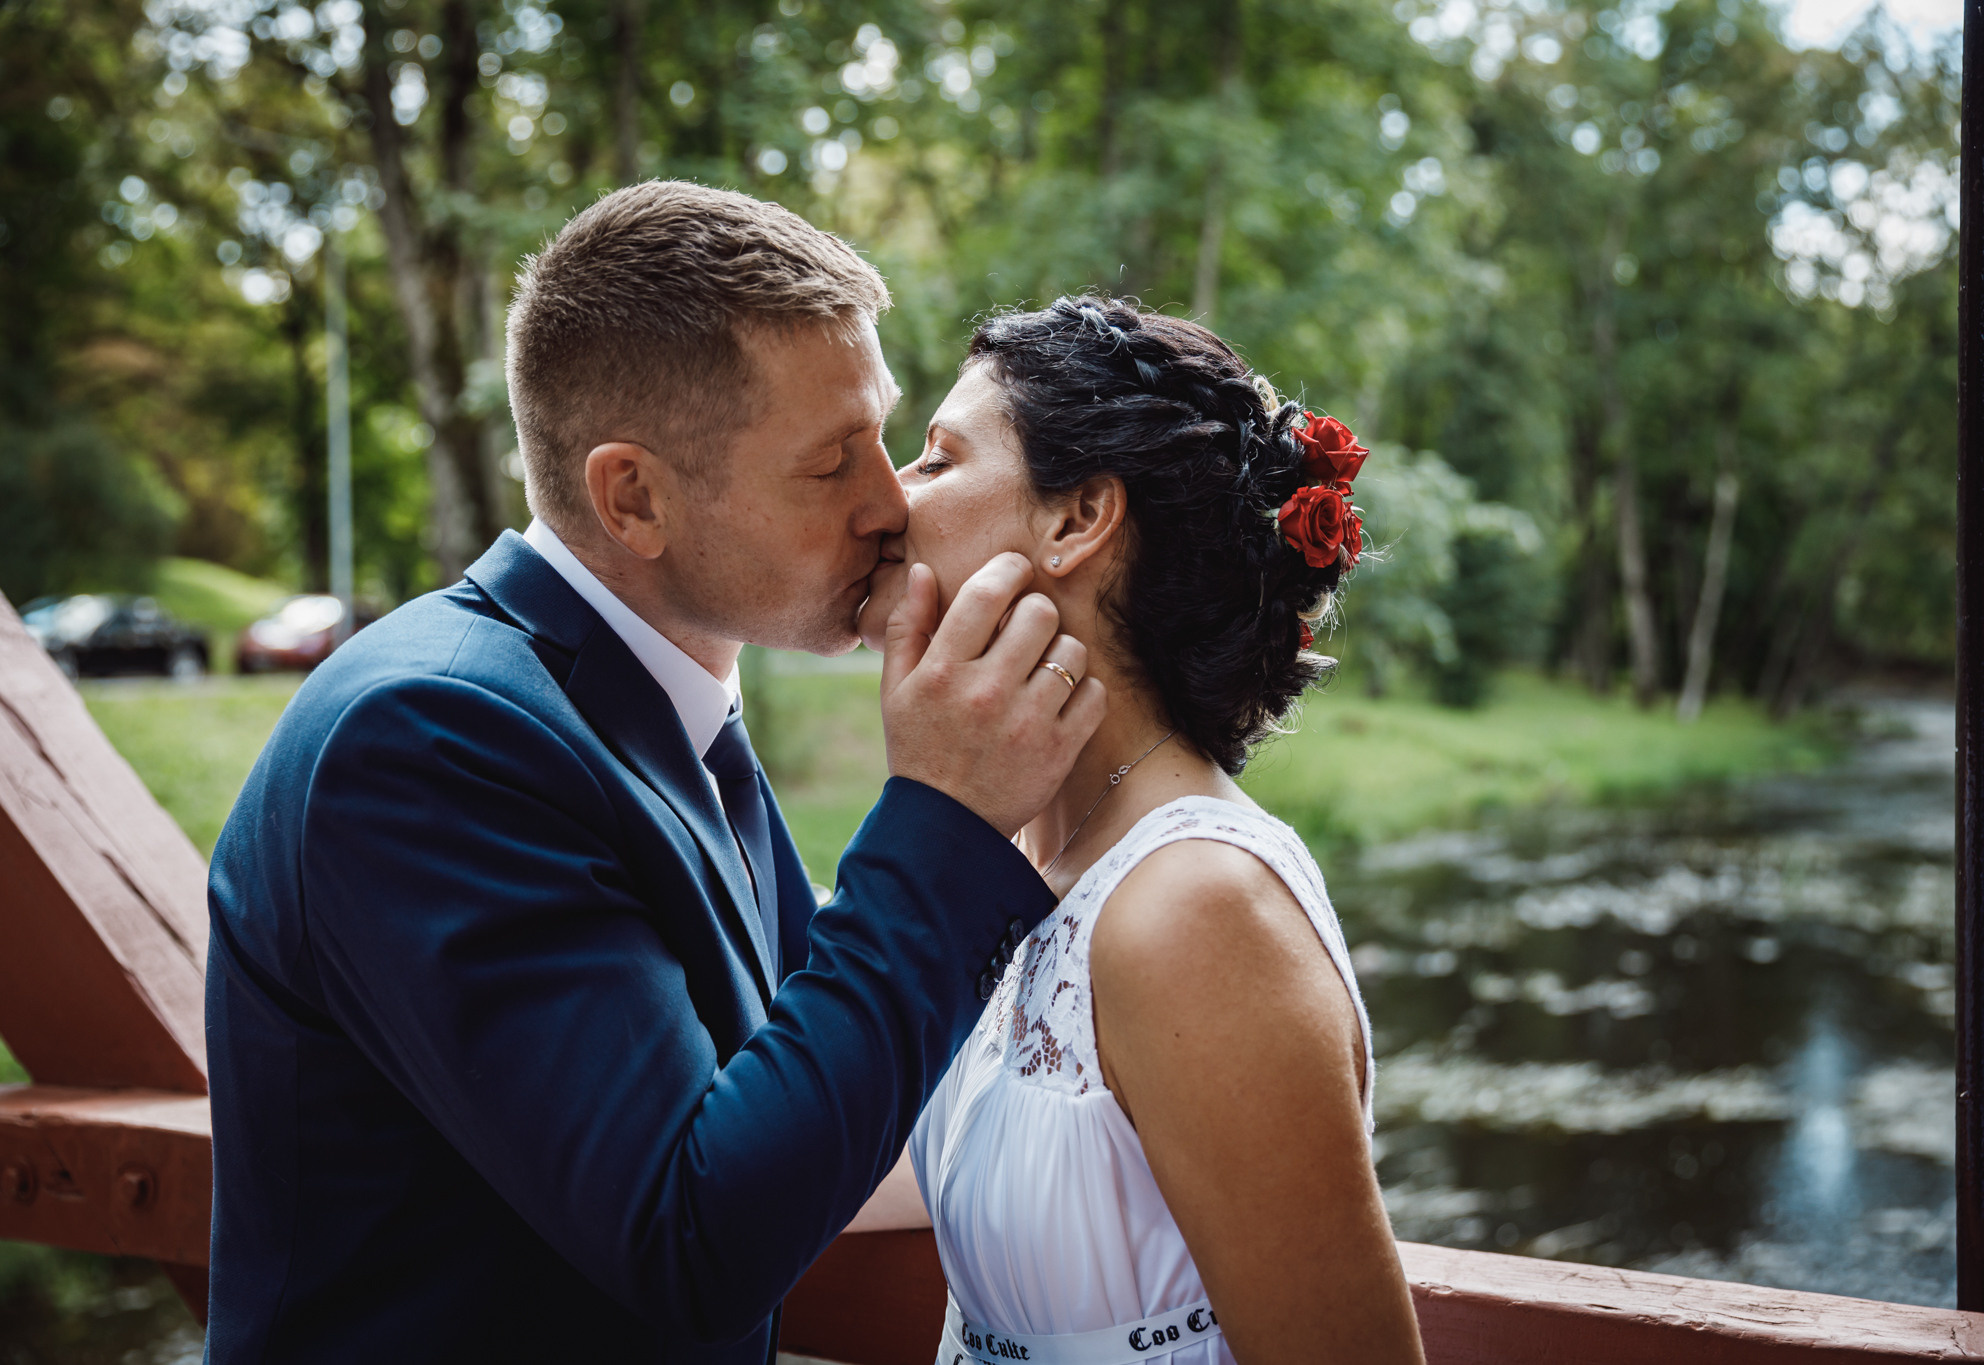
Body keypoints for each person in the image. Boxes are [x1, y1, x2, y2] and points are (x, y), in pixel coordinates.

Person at [201, 183, 1104, 1362]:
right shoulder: (429, 739)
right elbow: (695, 1240)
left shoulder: (655, 710)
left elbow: (812, 1095)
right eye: (831, 461)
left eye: (882, 437)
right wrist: (941, 818)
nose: (891, 504)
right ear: (633, 497)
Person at [855, 297, 1427, 1364]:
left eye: (936, 459)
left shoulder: (1193, 908)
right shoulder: (1024, 855)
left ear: (1078, 520)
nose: (887, 494)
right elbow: (838, 1161)